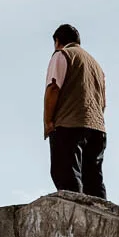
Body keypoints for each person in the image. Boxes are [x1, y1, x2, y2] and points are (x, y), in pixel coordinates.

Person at [43, 24, 108, 198]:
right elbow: (103, 102)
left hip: (69, 125)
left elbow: (53, 88)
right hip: (97, 128)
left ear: (57, 41)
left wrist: (48, 122)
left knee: (67, 175)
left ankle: (76, 212)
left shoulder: (63, 54)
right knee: (93, 180)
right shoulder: (97, 66)